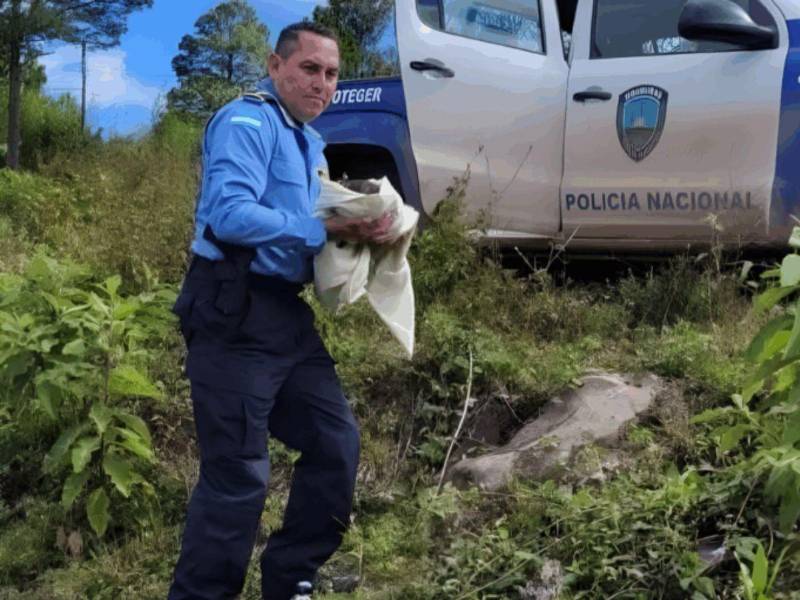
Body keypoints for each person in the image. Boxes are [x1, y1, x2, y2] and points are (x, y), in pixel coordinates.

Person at [168, 22, 393, 600]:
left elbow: (312, 227)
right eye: (310, 69)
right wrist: (320, 228)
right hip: (231, 308)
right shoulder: (249, 121)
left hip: (284, 318)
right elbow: (229, 214)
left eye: (332, 73)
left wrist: (361, 228)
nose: (323, 83)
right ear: (276, 66)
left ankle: (290, 577)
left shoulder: (309, 141)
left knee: (335, 444)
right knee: (238, 478)